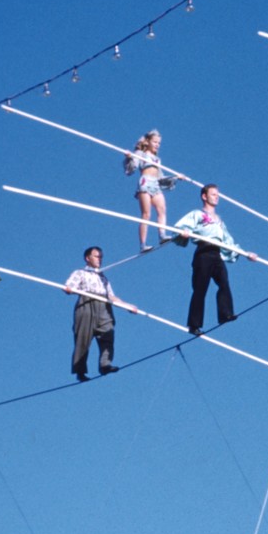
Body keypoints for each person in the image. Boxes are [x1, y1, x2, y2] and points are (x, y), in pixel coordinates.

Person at [174, 184, 258, 335]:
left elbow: (228, 242)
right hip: (203, 252)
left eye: (217, 194)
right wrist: (184, 232)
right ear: (204, 196)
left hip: (216, 253)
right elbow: (183, 227)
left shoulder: (219, 220)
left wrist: (246, 254)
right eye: (213, 194)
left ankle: (225, 314)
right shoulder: (197, 214)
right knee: (200, 289)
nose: (216, 197)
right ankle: (194, 325)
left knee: (224, 282)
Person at [64, 246, 136, 382]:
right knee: (83, 340)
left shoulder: (103, 277)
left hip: (103, 306)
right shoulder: (80, 273)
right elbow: (68, 287)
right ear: (88, 258)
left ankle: (105, 364)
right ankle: (80, 371)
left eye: (101, 257)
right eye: (97, 256)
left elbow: (112, 297)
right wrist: (69, 289)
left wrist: (127, 306)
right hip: (87, 304)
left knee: (108, 333)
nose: (100, 259)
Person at [123, 129, 181, 252]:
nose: (157, 145)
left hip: (155, 184)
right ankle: (143, 244)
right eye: (155, 142)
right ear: (148, 141)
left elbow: (161, 177)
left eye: (159, 143)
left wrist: (176, 177)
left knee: (162, 209)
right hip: (145, 182)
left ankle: (162, 235)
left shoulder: (157, 159)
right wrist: (129, 157)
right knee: (146, 214)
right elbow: (132, 167)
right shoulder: (140, 153)